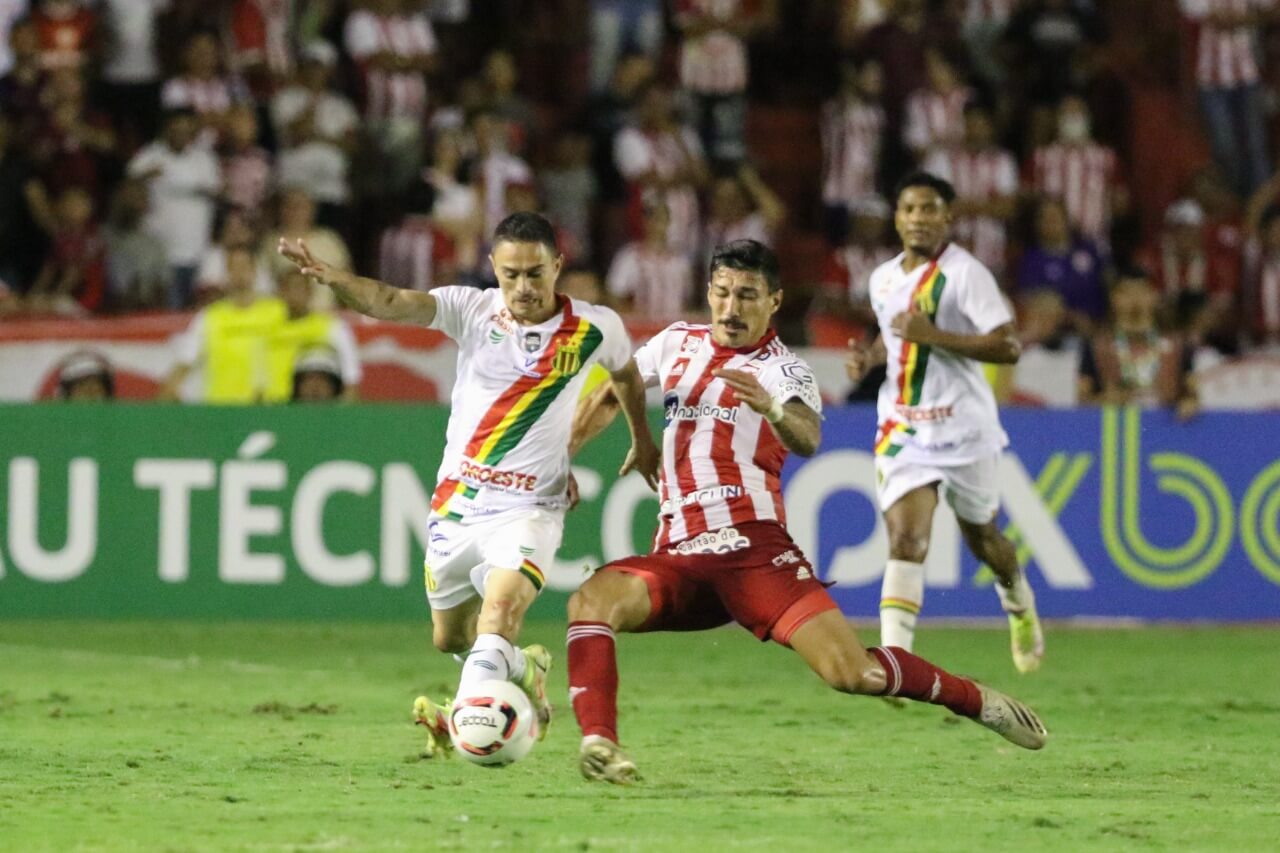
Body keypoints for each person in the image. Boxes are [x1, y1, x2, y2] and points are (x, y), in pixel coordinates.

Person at [565, 239, 1048, 784]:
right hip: (680, 557)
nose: (731, 307)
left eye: (748, 295)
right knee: (591, 601)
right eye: (722, 292)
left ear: (774, 301)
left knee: (855, 674)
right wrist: (587, 452)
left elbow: (808, 436)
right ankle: (600, 743)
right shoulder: (677, 342)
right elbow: (616, 387)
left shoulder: (783, 369)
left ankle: (976, 700)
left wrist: (770, 407)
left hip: (753, 552)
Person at [277, 211, 661, 756]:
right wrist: (334, 278)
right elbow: (389, 300)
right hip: (458, 504)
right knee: (450, 638)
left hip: (530, 506)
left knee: (499, 614)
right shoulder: (472, 309)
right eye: (510, 275)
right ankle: (522, 667)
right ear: (492, 269)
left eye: (534, 273)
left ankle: (465, 721)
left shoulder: (596, 327)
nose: (523, 288)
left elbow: (626, 376)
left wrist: (641, 438)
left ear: (557, 266)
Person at [843, 172, 1044, 674]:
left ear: (948, 218)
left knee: (985, 540)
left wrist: (934, 335)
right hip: (904, 427)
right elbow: (892, 335)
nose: (919, 218)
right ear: (897, 218)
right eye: (910, 208)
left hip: (964, 429)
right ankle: (897, 665)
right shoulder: (882, 278)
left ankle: (1018, 601)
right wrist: (870, 357)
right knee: (906, 540)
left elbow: (1008, 345)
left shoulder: (966, 275)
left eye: (930, 208)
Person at [159, 245, 288, 403]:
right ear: (226, 272)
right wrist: (170, 388)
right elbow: (186, 360)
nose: (239, 273)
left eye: (244, 266)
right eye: (233, 267)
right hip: (222, 407)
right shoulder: (210, 316)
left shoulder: (278, 311)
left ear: (255, 270)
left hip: (269, 406)